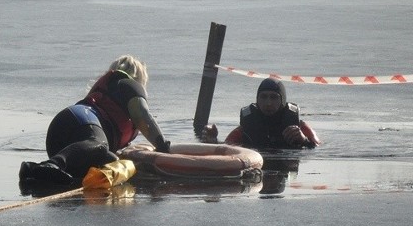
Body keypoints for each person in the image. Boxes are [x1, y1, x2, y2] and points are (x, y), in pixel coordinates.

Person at [19, 55, 170, 193]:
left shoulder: (110, 86)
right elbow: (143, 116)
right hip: (77, 121)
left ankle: (35, 170)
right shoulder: (129, 85)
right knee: (99, 145)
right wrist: (162, 145)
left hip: (61, 141)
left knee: (110, 159)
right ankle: (52, 164)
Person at [202, 77, 320, 149]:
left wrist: (304, 140)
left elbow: (317, 147)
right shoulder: (247, 126)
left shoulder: (298, 126)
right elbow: (226, 148)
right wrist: (213, 141)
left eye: (274, 97)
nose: (268, 103)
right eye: (263, 97)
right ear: (257, 100)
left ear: (282, 100)